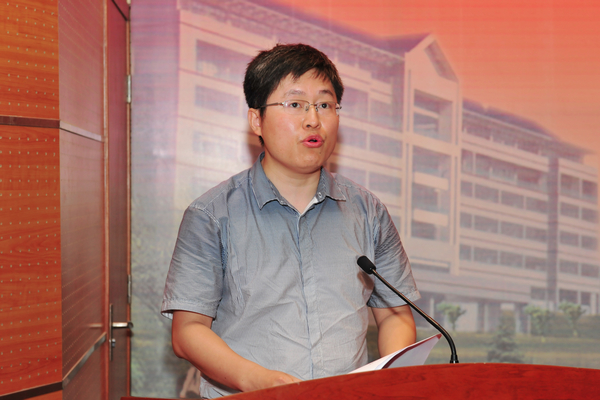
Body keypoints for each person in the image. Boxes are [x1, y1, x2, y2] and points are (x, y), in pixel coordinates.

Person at [162, 43, 420, 398]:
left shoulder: (368, 211)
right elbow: (188, 331)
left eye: (325, 105)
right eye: (295, 104)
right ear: (257, 120)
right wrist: (258, 382)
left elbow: (394, 314)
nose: (313, 119)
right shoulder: (211, 215)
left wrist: (389, 382)